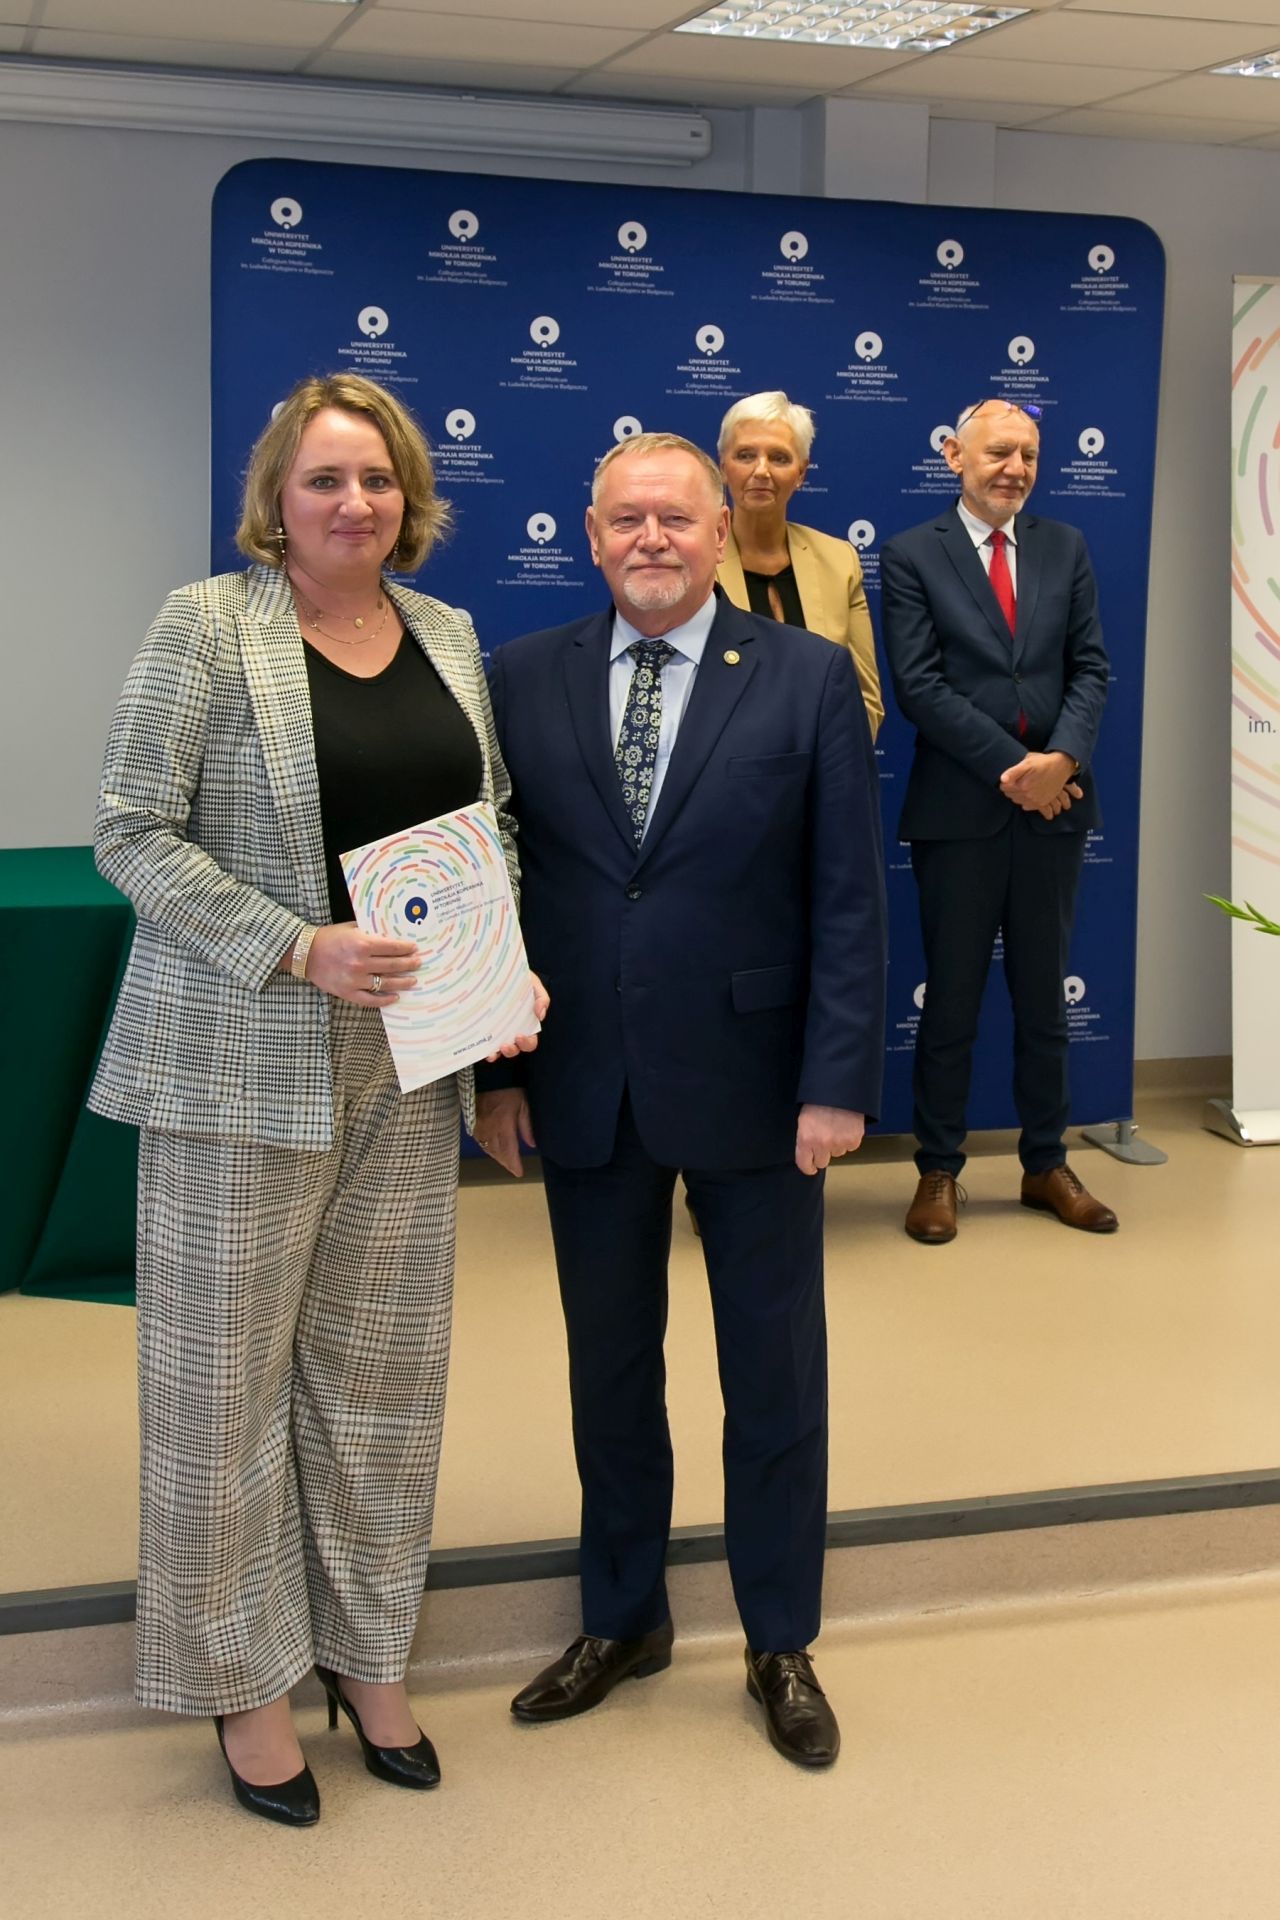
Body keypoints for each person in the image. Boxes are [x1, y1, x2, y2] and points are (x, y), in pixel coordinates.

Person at [90, 372, 545, 1826]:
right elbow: (131, 832)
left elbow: (486, 824)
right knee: (221, 1394)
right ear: (275, 501)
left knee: (382, 1384)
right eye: (325, 480)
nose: (355, 503)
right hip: (238, 1057)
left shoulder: (448, 633)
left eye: (379, 480)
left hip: (411, 1063)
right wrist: (296, 946)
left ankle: (366, 1654)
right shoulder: (205, 626)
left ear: (412, 500)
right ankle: (243, 1682)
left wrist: (494, 966)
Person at [472, 432, 887, 1768]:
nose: (650, 538)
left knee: (773, 1377)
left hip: (760, 1089)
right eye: (626, 518)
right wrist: (499, 1074)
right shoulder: (517, 678)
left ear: (719, 532)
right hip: (583, 1082)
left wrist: (835, 1083)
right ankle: (622, 1616)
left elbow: (848, 895)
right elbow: (495, 890)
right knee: (608, 1371)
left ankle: (780, 1639)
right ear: (590, 534)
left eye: (675, 517)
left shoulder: (806, 676)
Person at [879, 399, 1116, 1247]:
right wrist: (1019, 772)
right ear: (955, 456)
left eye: (1030, 455)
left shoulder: (1065, 546)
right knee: (950, 1000)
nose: (1016, 468)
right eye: (999, 452)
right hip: (961, 811)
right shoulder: (912, 553)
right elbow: (919, 685)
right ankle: (939, 1168)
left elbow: (1090, 668)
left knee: (1045, 1001)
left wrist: (1063, 761)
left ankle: (1045, 1162)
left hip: (1057, 809)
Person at [716, 390, 884, 739]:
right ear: (723, 467)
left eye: (779, 458)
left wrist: (831, 764)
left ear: (801, 473)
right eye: (745, 455)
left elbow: (864, 699)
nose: (761, 470)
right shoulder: (694, 562)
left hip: (824, 764)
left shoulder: (840, 561)